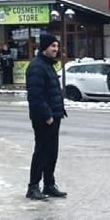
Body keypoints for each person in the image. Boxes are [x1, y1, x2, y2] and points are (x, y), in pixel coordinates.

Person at [26, 34, 67, 200]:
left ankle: (49, 184)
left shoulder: (48, 65)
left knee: (52, 152)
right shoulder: (37, 67)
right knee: (42, 152)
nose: (56, 49)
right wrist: (47, 115)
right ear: (44, 47)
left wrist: (59, 111)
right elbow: (35, 95)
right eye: (53, 46)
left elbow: (53, 91)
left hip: (54, 115)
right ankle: (33, 187)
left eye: (57, 46)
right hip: (44, 118)